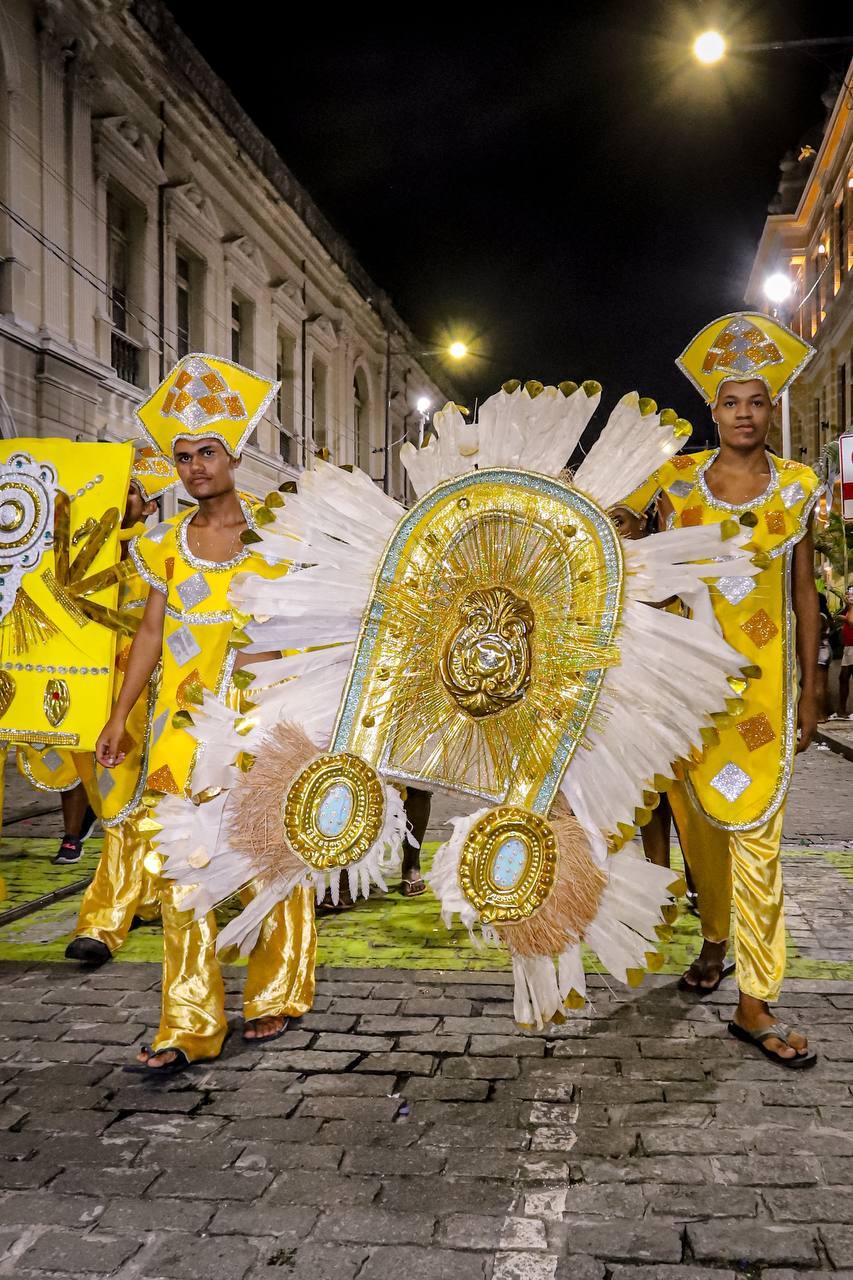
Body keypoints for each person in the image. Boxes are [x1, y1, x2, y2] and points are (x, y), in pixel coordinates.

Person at [96, 355, 316, 1075]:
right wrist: (121, 715)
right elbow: (150, 634)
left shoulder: (277, 536)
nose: (193, 467)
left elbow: (307, 626)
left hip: (259, 722)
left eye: (207, 453)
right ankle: (189, 1020)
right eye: (183, 456)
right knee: (177, 862)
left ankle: (277, 989)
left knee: (267, 853)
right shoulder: (162, 544)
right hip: (180, 729)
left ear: (235, 455)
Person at [660, 312, 821, 1068]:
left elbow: (804, 594)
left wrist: (811, 690)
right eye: (731, 402)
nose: (744, 414)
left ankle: (755, 999)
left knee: (757, 835)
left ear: (770, 408)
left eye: (757, 401)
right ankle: (715, 938)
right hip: (688, 689)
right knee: (699, 829)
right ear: (713, 409)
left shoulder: (796, 488)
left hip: (763, 694)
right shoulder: (673, 482)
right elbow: (647, 570)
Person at [65, 449, 176, 963]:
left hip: (152, 703)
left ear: (149, 506)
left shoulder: (165, 553)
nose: (120, 495)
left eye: (131, 489)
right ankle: (146, 896)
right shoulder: (78, 555)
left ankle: (102, 921)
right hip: (94, 703)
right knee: (114, 807)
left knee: (135, 809)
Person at [834, 586, 853, 719]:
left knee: (845, 677)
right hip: (848, 648)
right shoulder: (849, 609)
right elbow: (835, 617)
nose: (849, 597)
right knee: (843, 678)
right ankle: (841, 710)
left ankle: (842, 709)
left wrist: (849, 609)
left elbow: (851, 623)